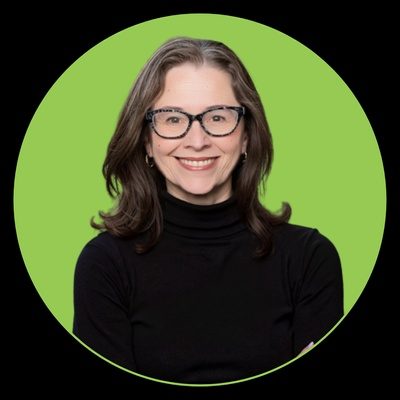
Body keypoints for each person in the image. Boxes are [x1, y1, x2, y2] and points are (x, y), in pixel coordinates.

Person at [73, 36, 344, 384]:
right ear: (146, 141)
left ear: (246, 136)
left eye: (217, 117)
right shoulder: (104, 265)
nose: (197, 141)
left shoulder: (309, 259)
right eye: (173, 119)